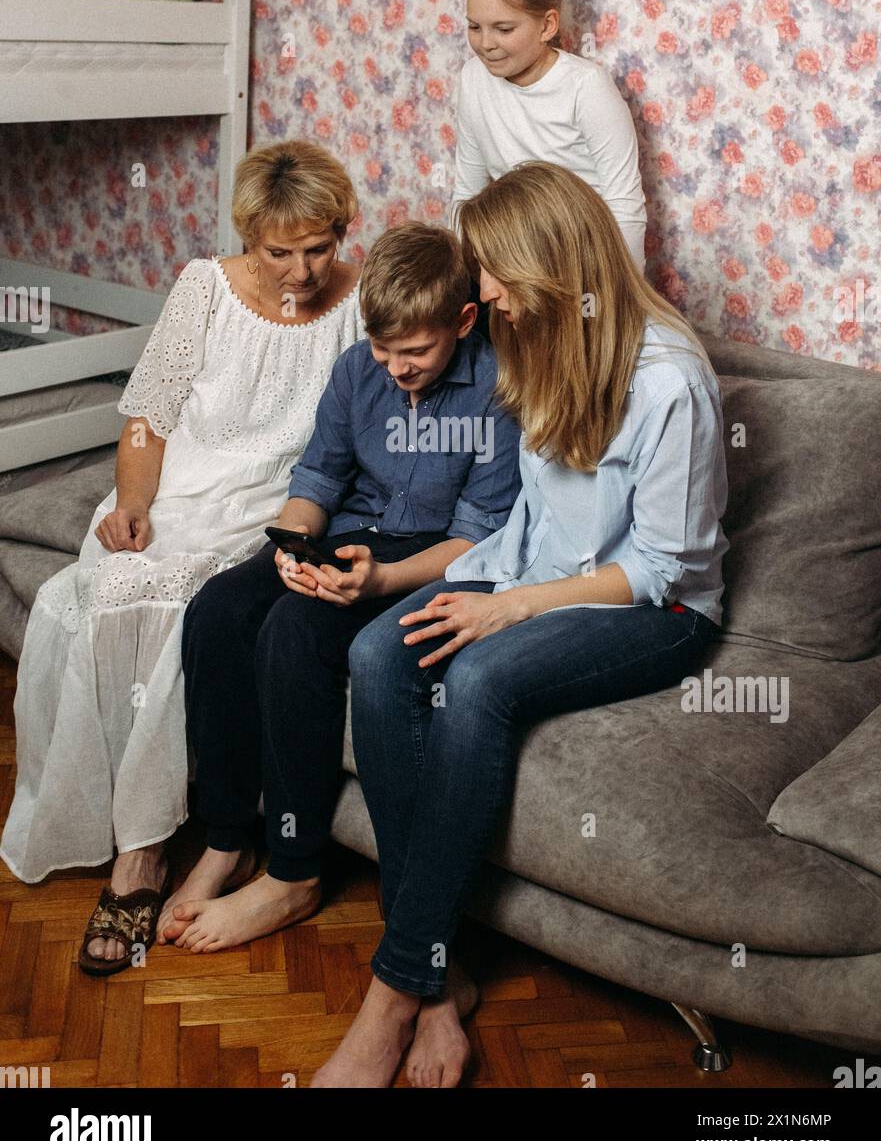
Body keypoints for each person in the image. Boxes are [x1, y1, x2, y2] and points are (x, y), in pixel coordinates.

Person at [313, 161, 729, 1088]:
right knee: (381, 652)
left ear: (549, 265)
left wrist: (507, 609)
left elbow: (664, 566)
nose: (484, 290)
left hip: (650, 609)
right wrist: (449, 579)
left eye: (494, 272)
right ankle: (439, 975)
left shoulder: (672, 383)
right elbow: (531, 521)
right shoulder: (533, 337)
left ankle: (391, 995)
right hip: (538, 573)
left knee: (480, 678)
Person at [0, 140, 365, 977]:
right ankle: (129, 840)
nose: (302, 270)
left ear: (342, 233)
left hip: (275, 504)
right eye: (280, 251)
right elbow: (148, 417)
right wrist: (131, 504)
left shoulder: (360, 296)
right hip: (180, 487)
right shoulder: (204, 287)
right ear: (249, 236)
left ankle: (151, 855)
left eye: (319, 247)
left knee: (186, 607)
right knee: (94, 593)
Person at [156, 223, 522, 954]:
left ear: (462, 320)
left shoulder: (496, 392)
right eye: (383, 349)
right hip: (345, 534)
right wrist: (290, 547)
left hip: (429, 558)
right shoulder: (359, 370)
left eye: (414, 352)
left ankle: (293, 871)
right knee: (220, 608)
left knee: (295, 630)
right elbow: (317, 478)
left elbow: (480, 535)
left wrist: (381, 578)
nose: (396, 368)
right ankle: (227, 838)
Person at [451, 0, 647, 273]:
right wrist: (460, 281)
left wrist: (621, 302)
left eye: (504, 29)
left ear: (547, 25)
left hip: (585, 263)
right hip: (514, 265)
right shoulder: (472, 80)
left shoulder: (586, 87)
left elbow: (625, 207)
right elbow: (466, 193)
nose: (485, 43)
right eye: (474, 27)